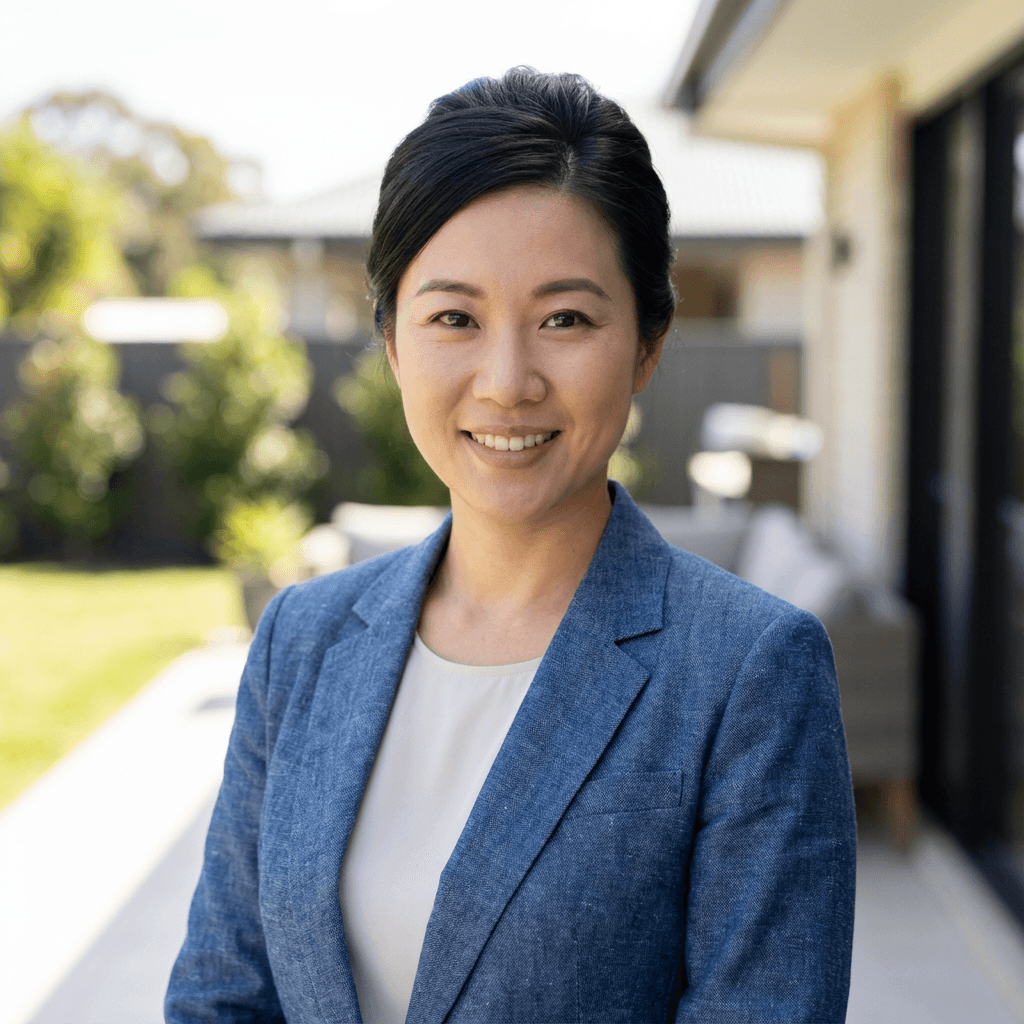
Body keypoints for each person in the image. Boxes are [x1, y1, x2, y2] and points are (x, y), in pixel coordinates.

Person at [166, 68, 856, 1024]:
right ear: (394, 342)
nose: (507, 380)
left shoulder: (749, 671)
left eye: (565, 319)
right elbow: (222, 991)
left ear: (649, 343)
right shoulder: (303, 638)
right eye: (455, 317)